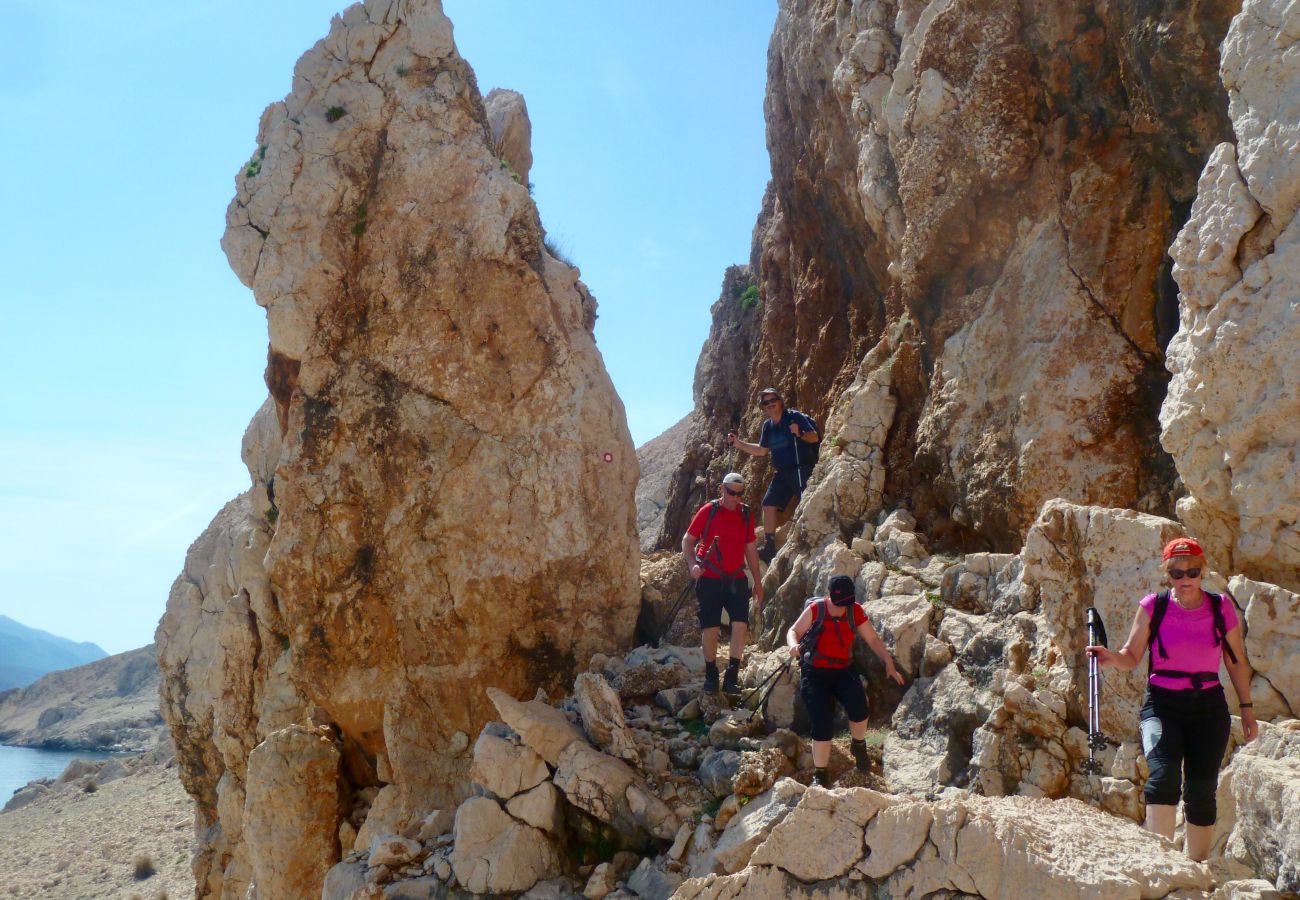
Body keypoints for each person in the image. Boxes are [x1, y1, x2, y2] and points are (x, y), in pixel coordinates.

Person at [1087, 537, 1258, 861]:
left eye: (1192, 572)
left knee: (1200, 790)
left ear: (1203, 571)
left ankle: (1194, 871)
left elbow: (1236, 661)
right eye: (1177, 573)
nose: (1185, 580)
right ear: (1167, 573)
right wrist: (1109, 657)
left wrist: (1247, 710)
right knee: (1163, 778)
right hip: (1162, 707)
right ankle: (1160, 865)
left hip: (1209, 710)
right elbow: (1131, 656)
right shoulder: (1154, 606)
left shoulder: (1220, 607)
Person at [786, 575, 905, 787]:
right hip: (815, 672)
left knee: (860, 709)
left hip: (843, 669)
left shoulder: (854, 610)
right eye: (838, 604)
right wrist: (793, 645)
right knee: (822, 724)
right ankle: (820, 774)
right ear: (828, 596)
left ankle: (858, 745)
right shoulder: (816, 609)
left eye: (846, 604)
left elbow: (873, 639)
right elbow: (793, 631)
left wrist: (888, 662)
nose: (842, 608)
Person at [682, 473, 765, 694]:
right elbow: (688, 540)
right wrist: (692, 566)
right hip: (709, 577)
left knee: (740, 624)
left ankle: (731, 676)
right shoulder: (708, 511)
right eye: (731, 492)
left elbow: (750, 549)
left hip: (735, 577)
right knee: (711, 627)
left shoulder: (746, 514)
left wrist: (757, 581)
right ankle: (711, 675)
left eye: (739, 493)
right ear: (722, 489)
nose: (735, 498)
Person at [728, 387, 820, 563]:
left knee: (807, 503)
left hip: (802, 469)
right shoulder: (767, 427)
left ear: (780, 401)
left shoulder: (795, 417)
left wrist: (799, 433)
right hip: (782, 473)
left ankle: (811, 539)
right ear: (763, 407)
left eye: (773, 400)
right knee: (768, 504)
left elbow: (814, 437)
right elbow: (762, 451)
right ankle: (770, 547)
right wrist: (738, 444)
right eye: (766, 403)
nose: (770, 404)